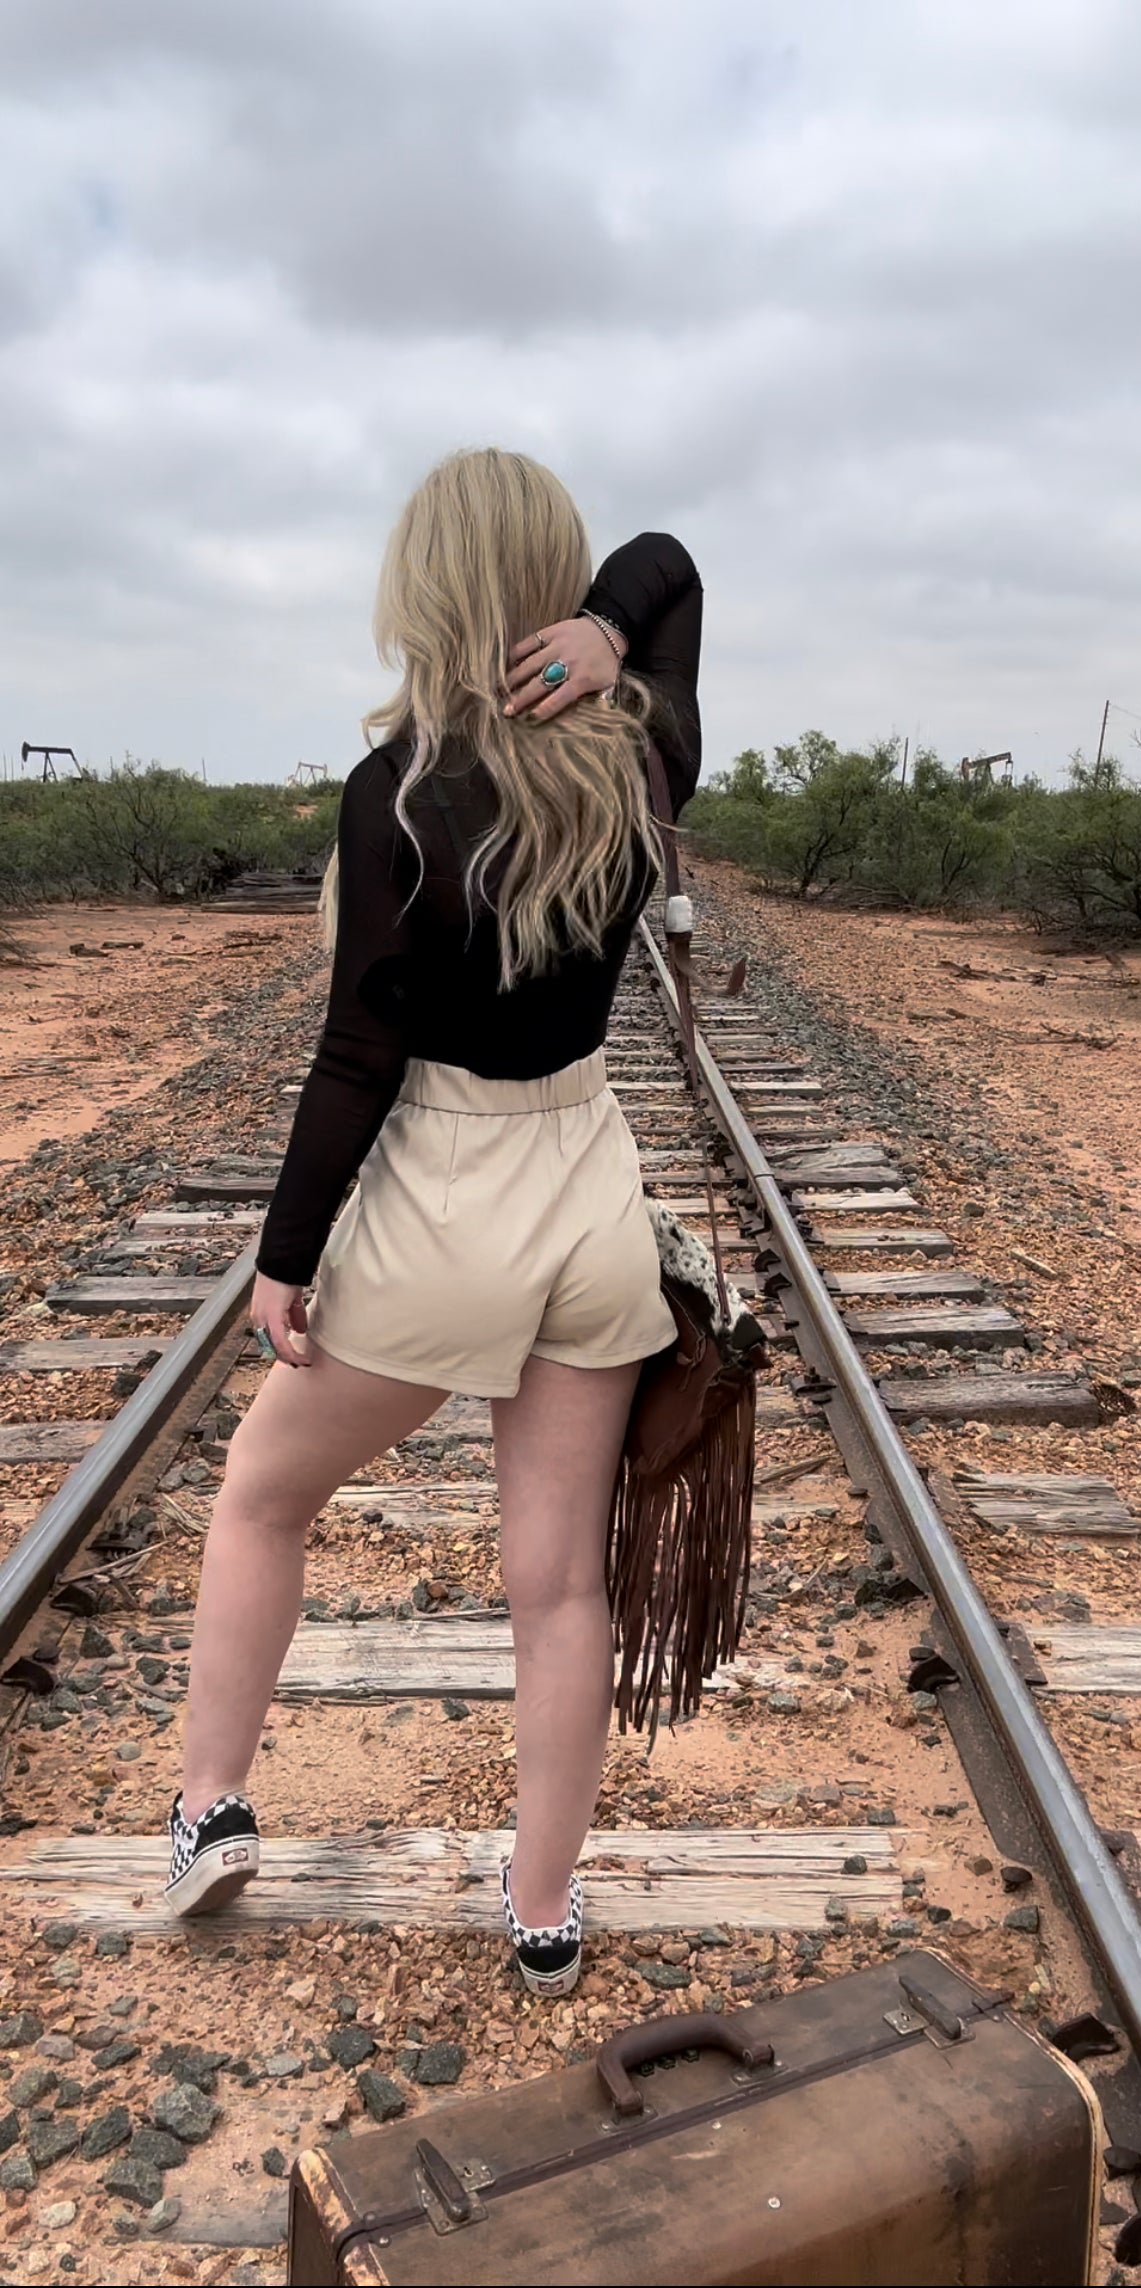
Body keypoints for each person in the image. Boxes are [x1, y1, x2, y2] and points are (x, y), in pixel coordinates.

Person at [165, 448, 702, 1998]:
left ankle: (212, 1812)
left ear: (428, 584)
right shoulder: (639, 756)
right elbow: (673, 559)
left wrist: (285, 1256)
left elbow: (358, 1053)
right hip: (586, 1191)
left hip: (443, 1199)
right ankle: (542, 1912)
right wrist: (612, 623)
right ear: (543, 581)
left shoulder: (398, 791)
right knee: (557, 1581)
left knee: (263, 1499)